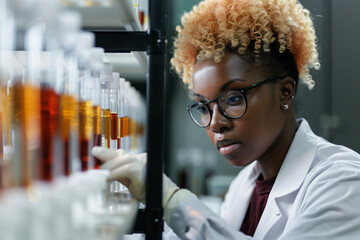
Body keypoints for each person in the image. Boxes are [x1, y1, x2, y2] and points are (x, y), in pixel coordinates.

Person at [92, 0, 360, 239]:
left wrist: (171, 200)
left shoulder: (344, 181)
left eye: (232, 99)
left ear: (284, 92)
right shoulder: (244, 185)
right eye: (203, 106)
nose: (214, 123)